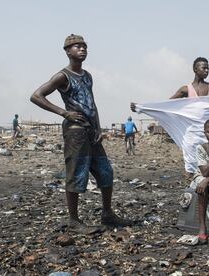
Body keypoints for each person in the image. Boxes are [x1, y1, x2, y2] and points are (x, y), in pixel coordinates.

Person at [30, 34, 132, 233]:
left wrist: (98, 127)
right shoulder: (63, 76)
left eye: (84, 46)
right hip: (75, 132)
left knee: (106, 172)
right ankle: (74, 220)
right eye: (77, 47)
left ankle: (107, 213)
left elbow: (92, 103)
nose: (82, 49)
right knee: (76, 173)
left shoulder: (87, 76)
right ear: (68, 51)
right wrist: (64, 112)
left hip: (91, 130)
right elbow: (36, 96)